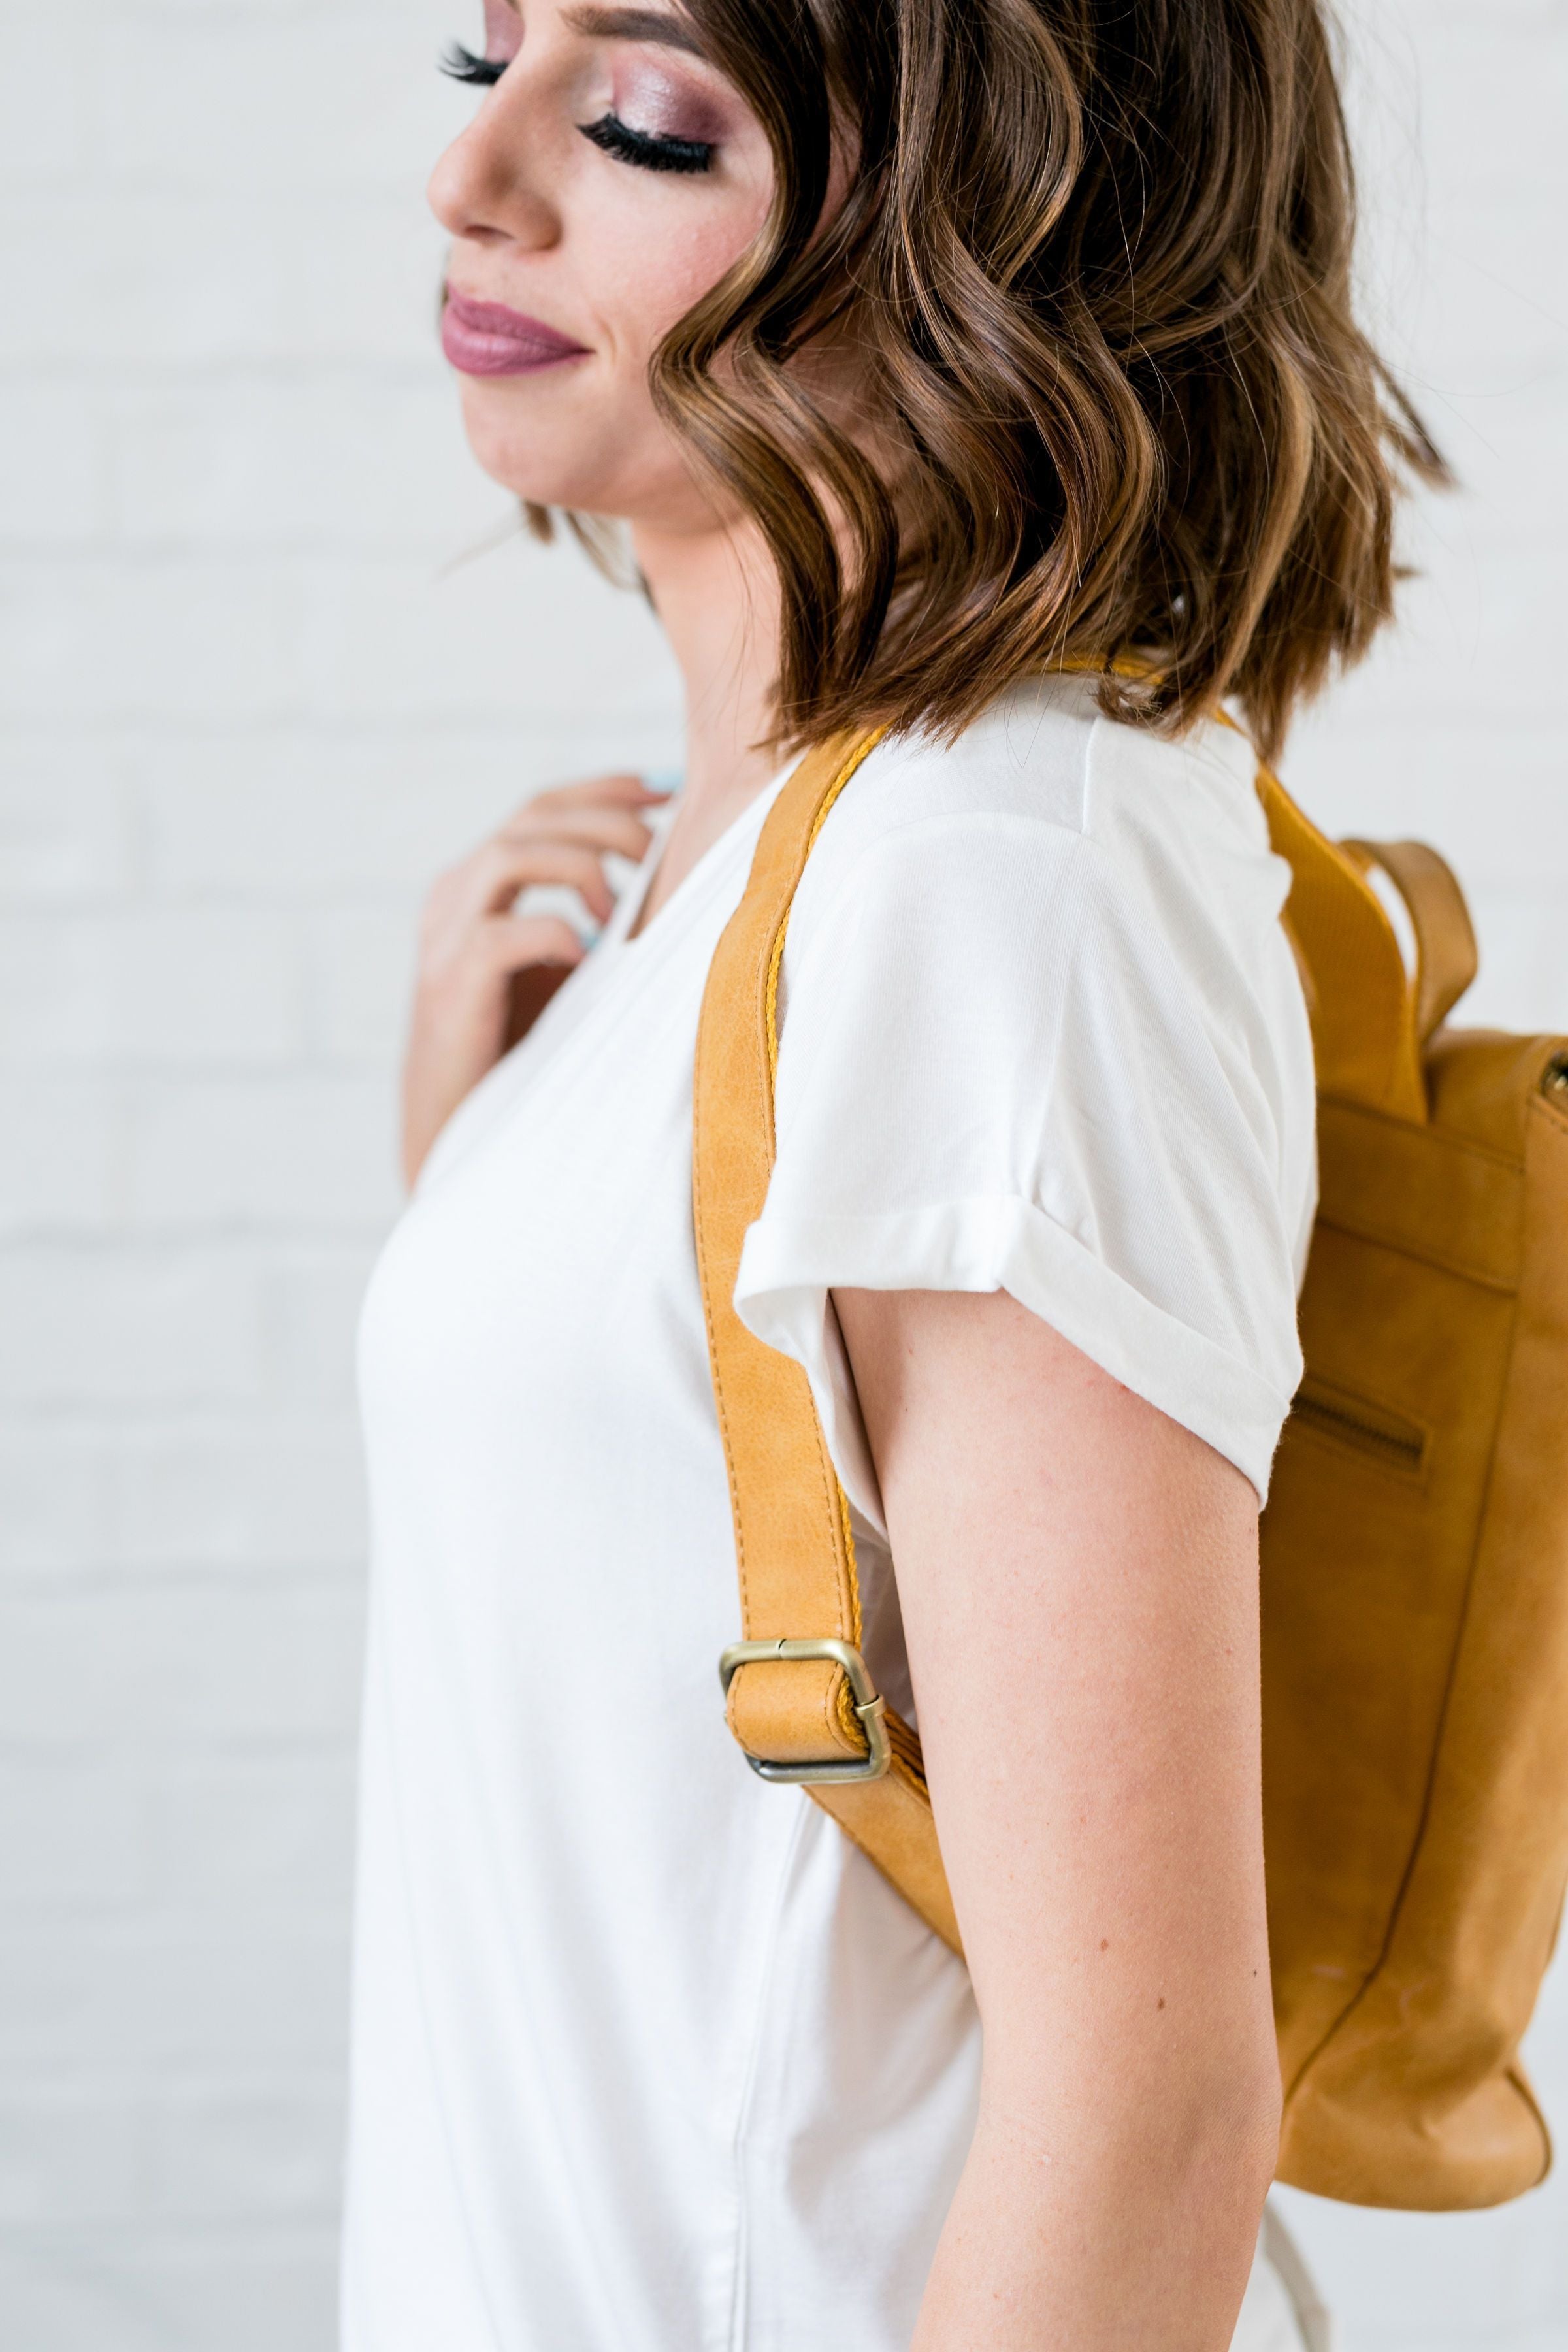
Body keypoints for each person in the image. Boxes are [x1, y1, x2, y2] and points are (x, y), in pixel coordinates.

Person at [342, 3, 1441, 2345]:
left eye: (639, 117)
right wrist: (481, 1168)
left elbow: (1144, 2098)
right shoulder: (752, 879)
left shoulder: (989, 871)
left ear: (989, 223)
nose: (479, 180)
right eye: (483, 61)